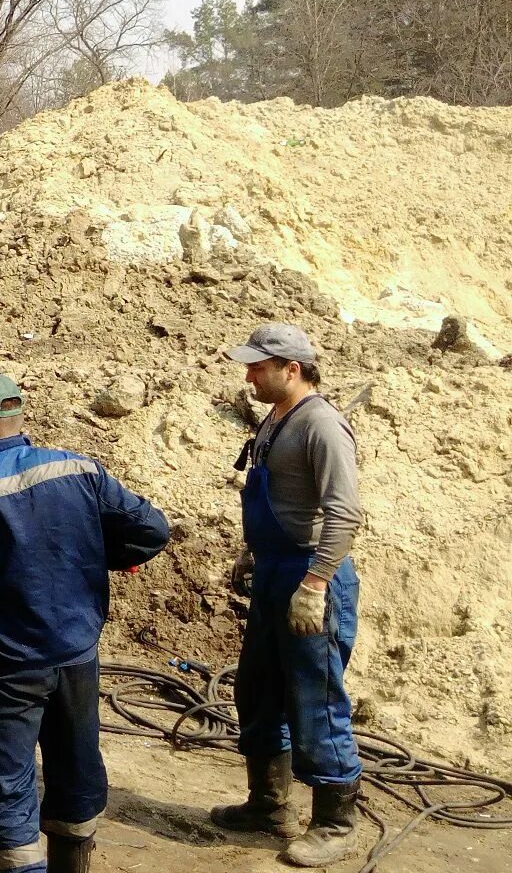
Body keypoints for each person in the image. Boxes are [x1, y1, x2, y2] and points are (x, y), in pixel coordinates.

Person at [0, 371, 171, 873]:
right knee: (76, 764)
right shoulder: (79, 469)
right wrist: (91, 554)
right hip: (77, 655)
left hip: (10, 666)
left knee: (8, 779)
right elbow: (152, 530)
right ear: (16, 418)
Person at [210, 323, 364, 867]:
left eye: (258, 366)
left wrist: (317, 583)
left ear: (291, 369)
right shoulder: (275, 421)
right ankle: (269, 804)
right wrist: (251, 555)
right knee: (258, 689)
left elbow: (344, 513)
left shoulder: (322, 425)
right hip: (275, 570)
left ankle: (336, 822)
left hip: (309, 576)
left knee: (316, 697)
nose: (249, 375)